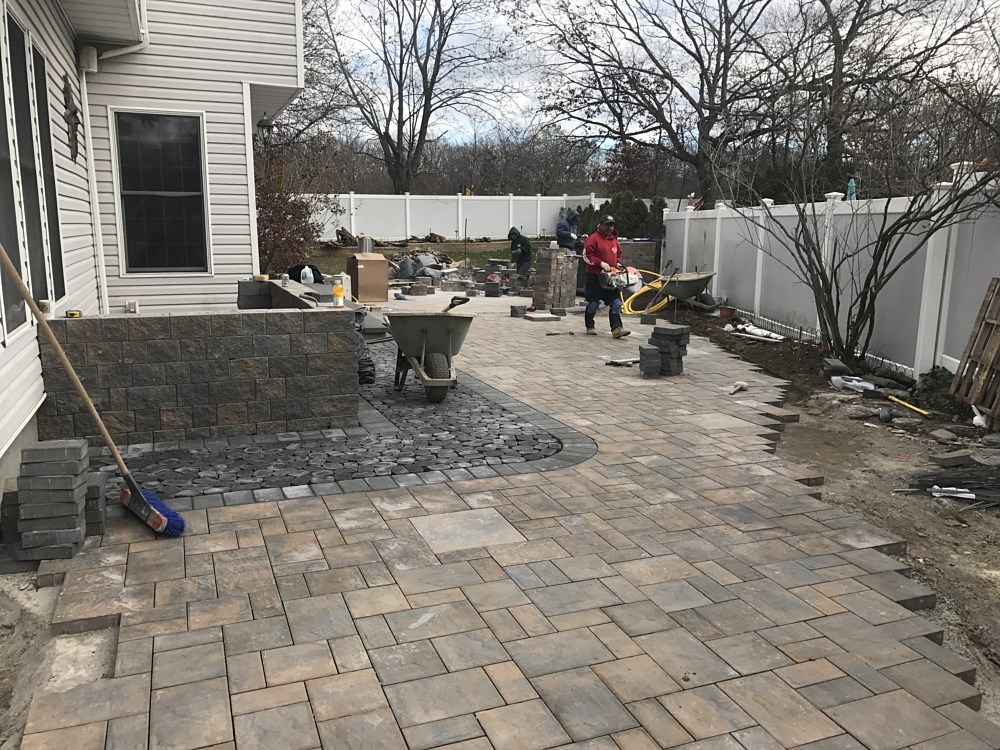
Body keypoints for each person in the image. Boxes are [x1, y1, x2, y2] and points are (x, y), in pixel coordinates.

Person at [582, 215, 630, 338]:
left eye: (612, 225)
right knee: (593, 305)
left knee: (616, 303)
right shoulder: (593, 239)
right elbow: (586, 256)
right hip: (595, 277)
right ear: (601, 225)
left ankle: (617, 329)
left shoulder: (614, 241)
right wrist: (600, 263)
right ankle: (590, 325)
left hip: (610, 278)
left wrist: (617, 264)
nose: (610, 228)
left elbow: (617, 255)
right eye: (607, 225)